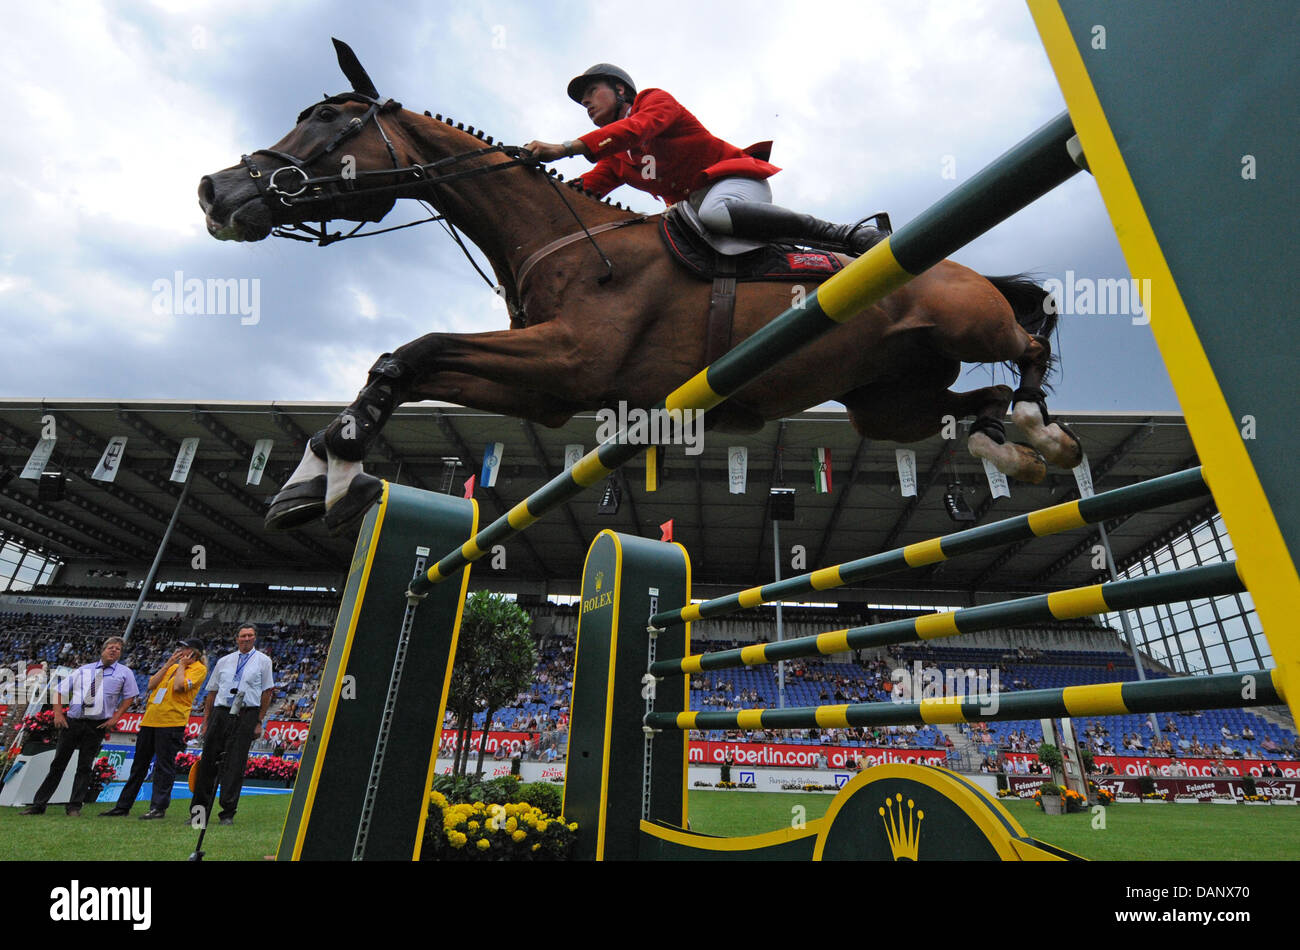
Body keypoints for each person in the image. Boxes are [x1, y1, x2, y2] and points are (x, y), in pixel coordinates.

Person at [524, 64, 886, 256]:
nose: (586, 102)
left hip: (732, 184)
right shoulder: (617, 157)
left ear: (621, 90)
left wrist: (567, 147)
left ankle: (849, 235)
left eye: (591, 92)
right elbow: (580, 194)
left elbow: (636, 129)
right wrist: (527, 185)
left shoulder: (653, 100)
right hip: (690, 211)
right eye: (583, 99)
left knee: (714, 213)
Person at [21, 637, 139, 817]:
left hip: (96, 725)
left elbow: (130, 696)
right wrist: (58, 713)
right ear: (103, 649)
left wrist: (116, 717)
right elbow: (59, 690)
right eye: (111, 647)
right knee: (58, 764)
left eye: (118, 649)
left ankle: (74, 806)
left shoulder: (125, 673)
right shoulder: (84, 670)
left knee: (85, 767)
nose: (114, 650)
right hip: (73, 721)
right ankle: (39, 804)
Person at [100, 639, 206, 819]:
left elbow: (180, 686)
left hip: (171, 721)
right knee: (139, 765)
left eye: (185, 648)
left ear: (194, 652)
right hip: (150, 720)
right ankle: (123, 806)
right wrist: (169, 664)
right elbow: (151, 684)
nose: (181, 650)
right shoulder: (173, 667)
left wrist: (181, 666)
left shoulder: (198, 669)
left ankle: (158, 807)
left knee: (164, 766)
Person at [191, 623, 275, 827]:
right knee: (208, 762)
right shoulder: (224, 661)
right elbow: (211, 692)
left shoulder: (264, 661)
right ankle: (198, 815)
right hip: (221, 712)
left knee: (235, 764)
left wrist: (259, 720)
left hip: (246, 713)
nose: (246, 639)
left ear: (255, 638)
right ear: (236, 638)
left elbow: (267, 692)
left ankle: (227, 813)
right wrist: (206, 721)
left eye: (250, 635)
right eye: (243, 636)